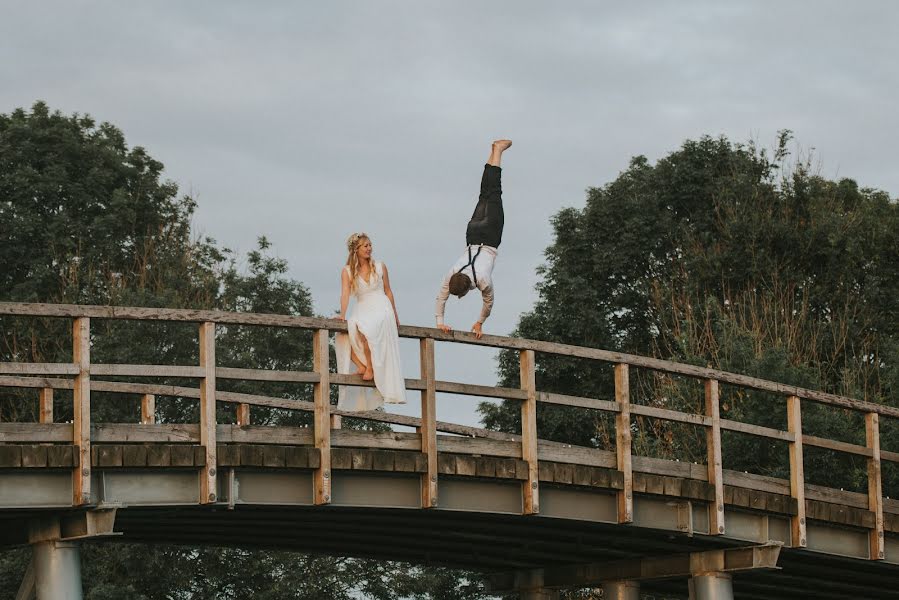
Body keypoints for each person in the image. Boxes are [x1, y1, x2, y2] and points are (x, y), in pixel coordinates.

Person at [435, 139, 512, 339]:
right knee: (484, 194)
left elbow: (489, 303)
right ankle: (494, 152)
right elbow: (440, 298)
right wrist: (439, 322)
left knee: (494, 193)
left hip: (490, 237)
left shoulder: (483, 281)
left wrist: (479, 322)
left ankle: (498, 151)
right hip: (473, 233)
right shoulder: (452, 272)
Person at [335, 233, 405, 410]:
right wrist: (342, 314)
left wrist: (395, 314)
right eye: (365, 246)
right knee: (348, 330)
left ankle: (371, 369)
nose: (369, 248)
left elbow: (388, 291)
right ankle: (362, 365)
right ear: (356, 250)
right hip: (362, 305)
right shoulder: (348, 271)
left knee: (370, 329)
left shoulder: (380, 266)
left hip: (381, 306)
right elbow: (345, 293)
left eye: (370, 245)